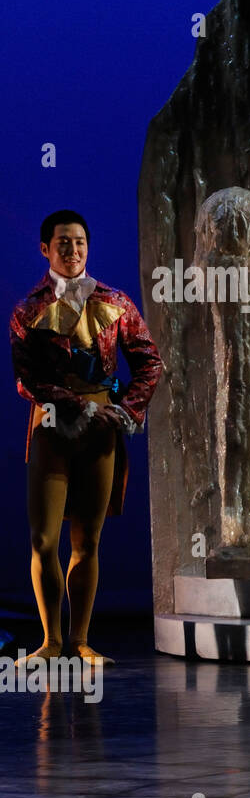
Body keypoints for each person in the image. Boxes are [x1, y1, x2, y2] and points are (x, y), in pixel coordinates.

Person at [9, 210, 163, 666]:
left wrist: (125, 410)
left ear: (87, 247)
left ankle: (79, 641)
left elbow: (150, 363)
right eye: (62, 243)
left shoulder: (116, 302)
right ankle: (49, 642)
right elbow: (26, 378)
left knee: (87, 540)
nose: (72, 251)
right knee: (42, 538)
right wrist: (77, 405)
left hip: (101, 433)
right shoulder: (27, 309)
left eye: (78, 243)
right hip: (52, 426)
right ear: (45, 249)